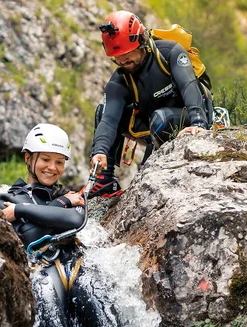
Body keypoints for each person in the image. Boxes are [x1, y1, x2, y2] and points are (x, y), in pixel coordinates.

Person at [0, 123, 120, 327]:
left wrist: (22, 211)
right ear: (28, 158)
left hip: (78, 266)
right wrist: (57, 207)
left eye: (59, 162)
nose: (52, 168)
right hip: (42, 272)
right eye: (46, 160)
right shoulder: (5, 199)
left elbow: (75, 219)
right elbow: (29, 234)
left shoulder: (60, 197)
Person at [88, 10, 213, 199]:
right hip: (154, 124)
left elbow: (189, 86)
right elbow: (109, 119)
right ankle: (104, 182)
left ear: (142, 42)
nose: (123, 61)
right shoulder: (121, 78)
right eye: (117, 57)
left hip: (188, 115)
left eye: (127, 54)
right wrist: (100, 151)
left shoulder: (170, 52)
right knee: (102, 110)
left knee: (160, 119)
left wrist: (198, 123)